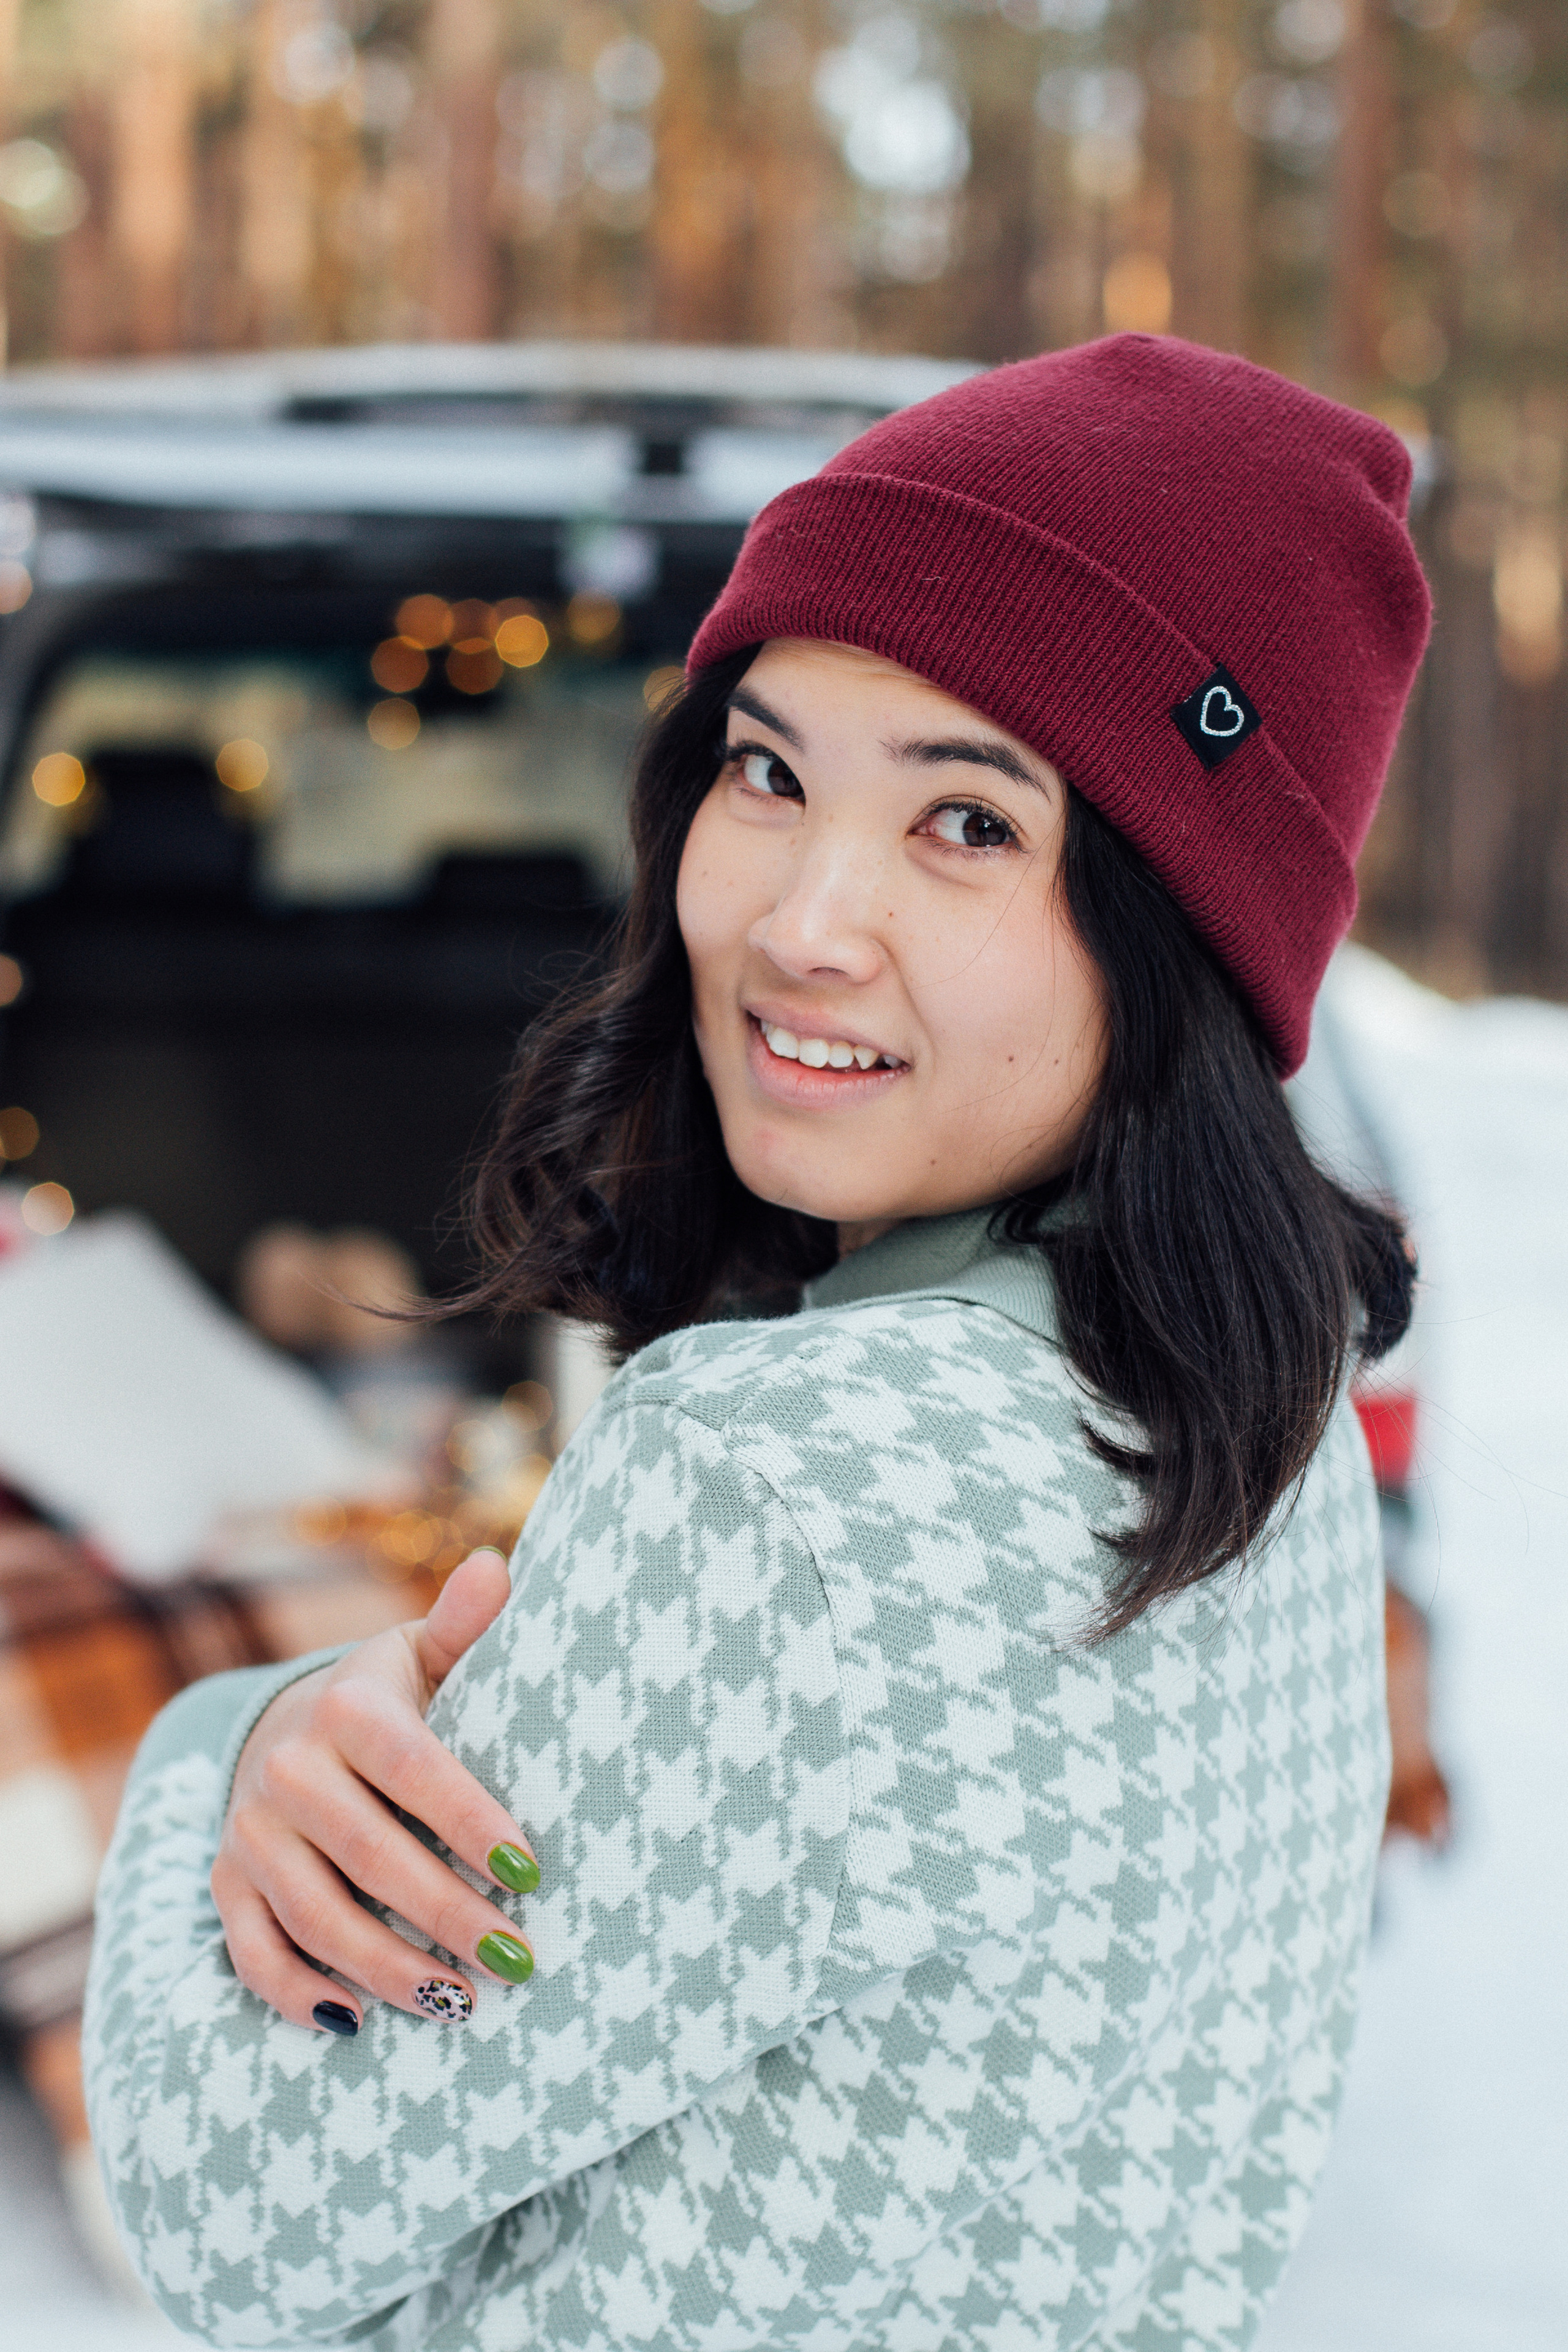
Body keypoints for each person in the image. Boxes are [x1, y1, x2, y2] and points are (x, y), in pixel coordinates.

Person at [83, 336, 1431, 2352]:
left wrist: (211, 1754)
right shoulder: (1266, 1410)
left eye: (966, 825)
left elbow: (233, 2209)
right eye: (770, 771)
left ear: (1179, 928)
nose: (804, 917)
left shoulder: (778, 1480)